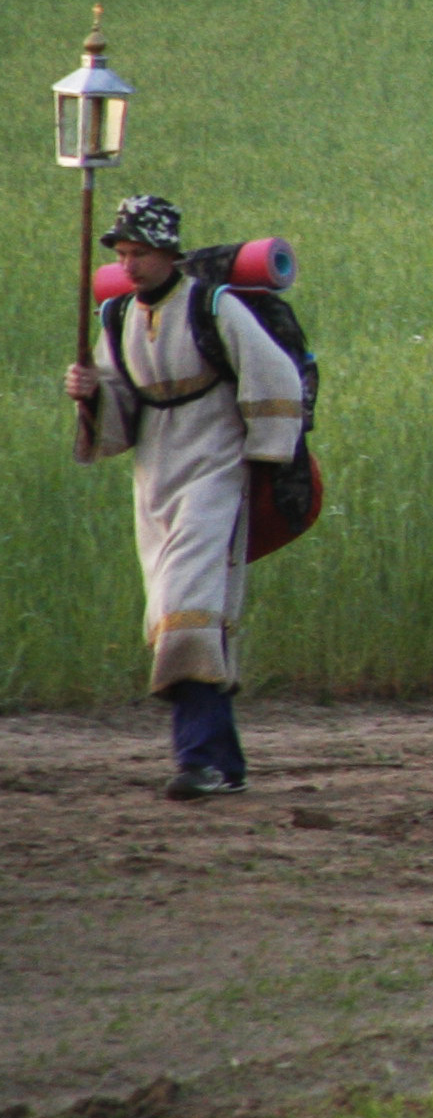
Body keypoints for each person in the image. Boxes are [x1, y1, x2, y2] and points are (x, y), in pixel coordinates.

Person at [67, 195, 308, 799]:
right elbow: (119, 412)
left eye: (140, 253)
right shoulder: (117, 318)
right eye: (123, 254)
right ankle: (220, 764)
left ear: (168, 254)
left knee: (187, 611)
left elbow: (272, 376)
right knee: (176, 617)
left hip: (215, 467)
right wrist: (88, 393)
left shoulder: (214, 305)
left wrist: (267, 462)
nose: (130, 264)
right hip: (155, 476)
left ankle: (198, 759)